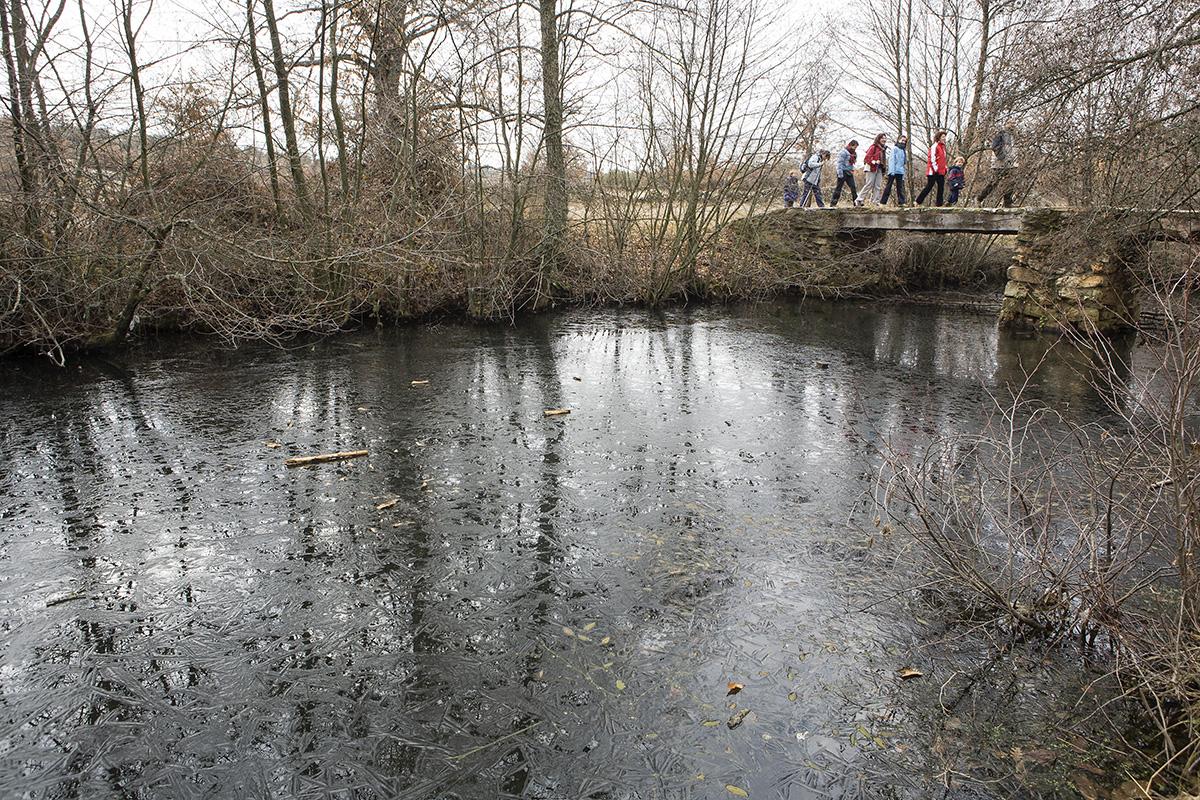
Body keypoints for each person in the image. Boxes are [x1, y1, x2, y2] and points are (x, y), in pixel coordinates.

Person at [977, 122, 1017, 207]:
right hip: (999, 163)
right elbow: (995, 147)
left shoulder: (1012, 136)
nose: (1013, 125)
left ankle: (1007, 203)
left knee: (1010, 183)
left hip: (1009, 163)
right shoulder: (1001, 134)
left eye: (1014, 123)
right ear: (1007, 124)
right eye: (1011, 123)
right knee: (994, 182)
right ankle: (980, 198)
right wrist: (1002, 157)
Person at [915, 130, 948, 206]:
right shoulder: (934, 146)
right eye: (943, 137)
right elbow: (932, 158)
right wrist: (935, 169)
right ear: (938, 137)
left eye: (945, 137)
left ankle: (939, 204)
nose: (944, 138)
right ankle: (917, 201)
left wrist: (945, 168)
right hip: (933, 171)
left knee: (941, 188)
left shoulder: (942, 148)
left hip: (941, 171)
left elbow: (943, 159)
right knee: (929, 186)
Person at [859, 133, 887, 205]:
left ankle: (875, 202)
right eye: (882, 138)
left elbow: (883, 160)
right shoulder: (873, 147)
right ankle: (859, 200)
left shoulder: (883, 149)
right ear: (878, 139)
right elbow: (866, 158)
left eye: (885, 138)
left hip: (879, 169)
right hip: (871, 168)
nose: (884, 139)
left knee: (877, 186)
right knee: (869, 184)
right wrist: (874, 162)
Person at [830, 140, 860, 207]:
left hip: (849, 173)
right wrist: (840, 174)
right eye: (854, 147)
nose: (855, 148)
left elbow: (851, 163)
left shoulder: (854, 153)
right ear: (851, 145)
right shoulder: (843, 152)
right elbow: (839, 163)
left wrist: (852, 170)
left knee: (853, 188)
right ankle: (833, 204)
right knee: (838, 188)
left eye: (856, 147)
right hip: (842, 172)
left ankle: (856, 204)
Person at [880, 135, 907, 206]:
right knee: (888, 187)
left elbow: (903, 163)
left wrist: (903, 173)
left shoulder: (903, 150)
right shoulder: (895, 148)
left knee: (900, 188)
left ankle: (901, 202)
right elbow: (892, 160)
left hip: (900, 171)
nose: (903, 142)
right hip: (893, 171)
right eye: (902, 140)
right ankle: (883, 202)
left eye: (904, 141)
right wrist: (892, 171)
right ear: (898, 140)